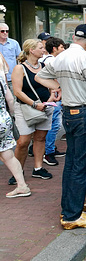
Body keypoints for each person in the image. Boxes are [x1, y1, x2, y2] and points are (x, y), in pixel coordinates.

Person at [35, 24, 86, 230]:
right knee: (82, 165)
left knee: (72, 162)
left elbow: (40, 77)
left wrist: (59, 87)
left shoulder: (61, 56)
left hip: (69, 113)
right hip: (84, 113)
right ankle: (72, 216)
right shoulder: (85, 58)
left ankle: (70, 206)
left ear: (74, 37)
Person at [10, 39, 56, 185]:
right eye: (41, 48)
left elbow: (52, 84)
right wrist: (34, 104)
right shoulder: (20, 68)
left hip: (45, 106)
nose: (44, 50)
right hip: (26, 108)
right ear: (31, 50)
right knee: (23, 141)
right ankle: (18, 170)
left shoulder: (44, 66)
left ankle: (38, 168)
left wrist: (52, 96)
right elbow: (17, 92)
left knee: (41, 137)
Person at [0, 66, 31, 198]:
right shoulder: (1, 77)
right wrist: (10, 115)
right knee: (7, 154)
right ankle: (22, 186)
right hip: (3, 118)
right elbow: (10, 99)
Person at [39, 37, 66, 166]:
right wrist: (56, 90)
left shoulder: (50, 60)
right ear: (55, 48)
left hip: (54, 96)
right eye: (61, 47)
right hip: (54, 97)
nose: (64, 49)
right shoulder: (52, 61)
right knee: (53, 125)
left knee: (54, 124)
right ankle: (48, 152)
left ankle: (50, 149)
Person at [0, 22, 21, 91]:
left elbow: (20, 58)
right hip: (1, 78)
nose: (5, 33)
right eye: (2, 31)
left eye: (7, 31)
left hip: (12, 78)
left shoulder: (14, 43)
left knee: (12, 100)